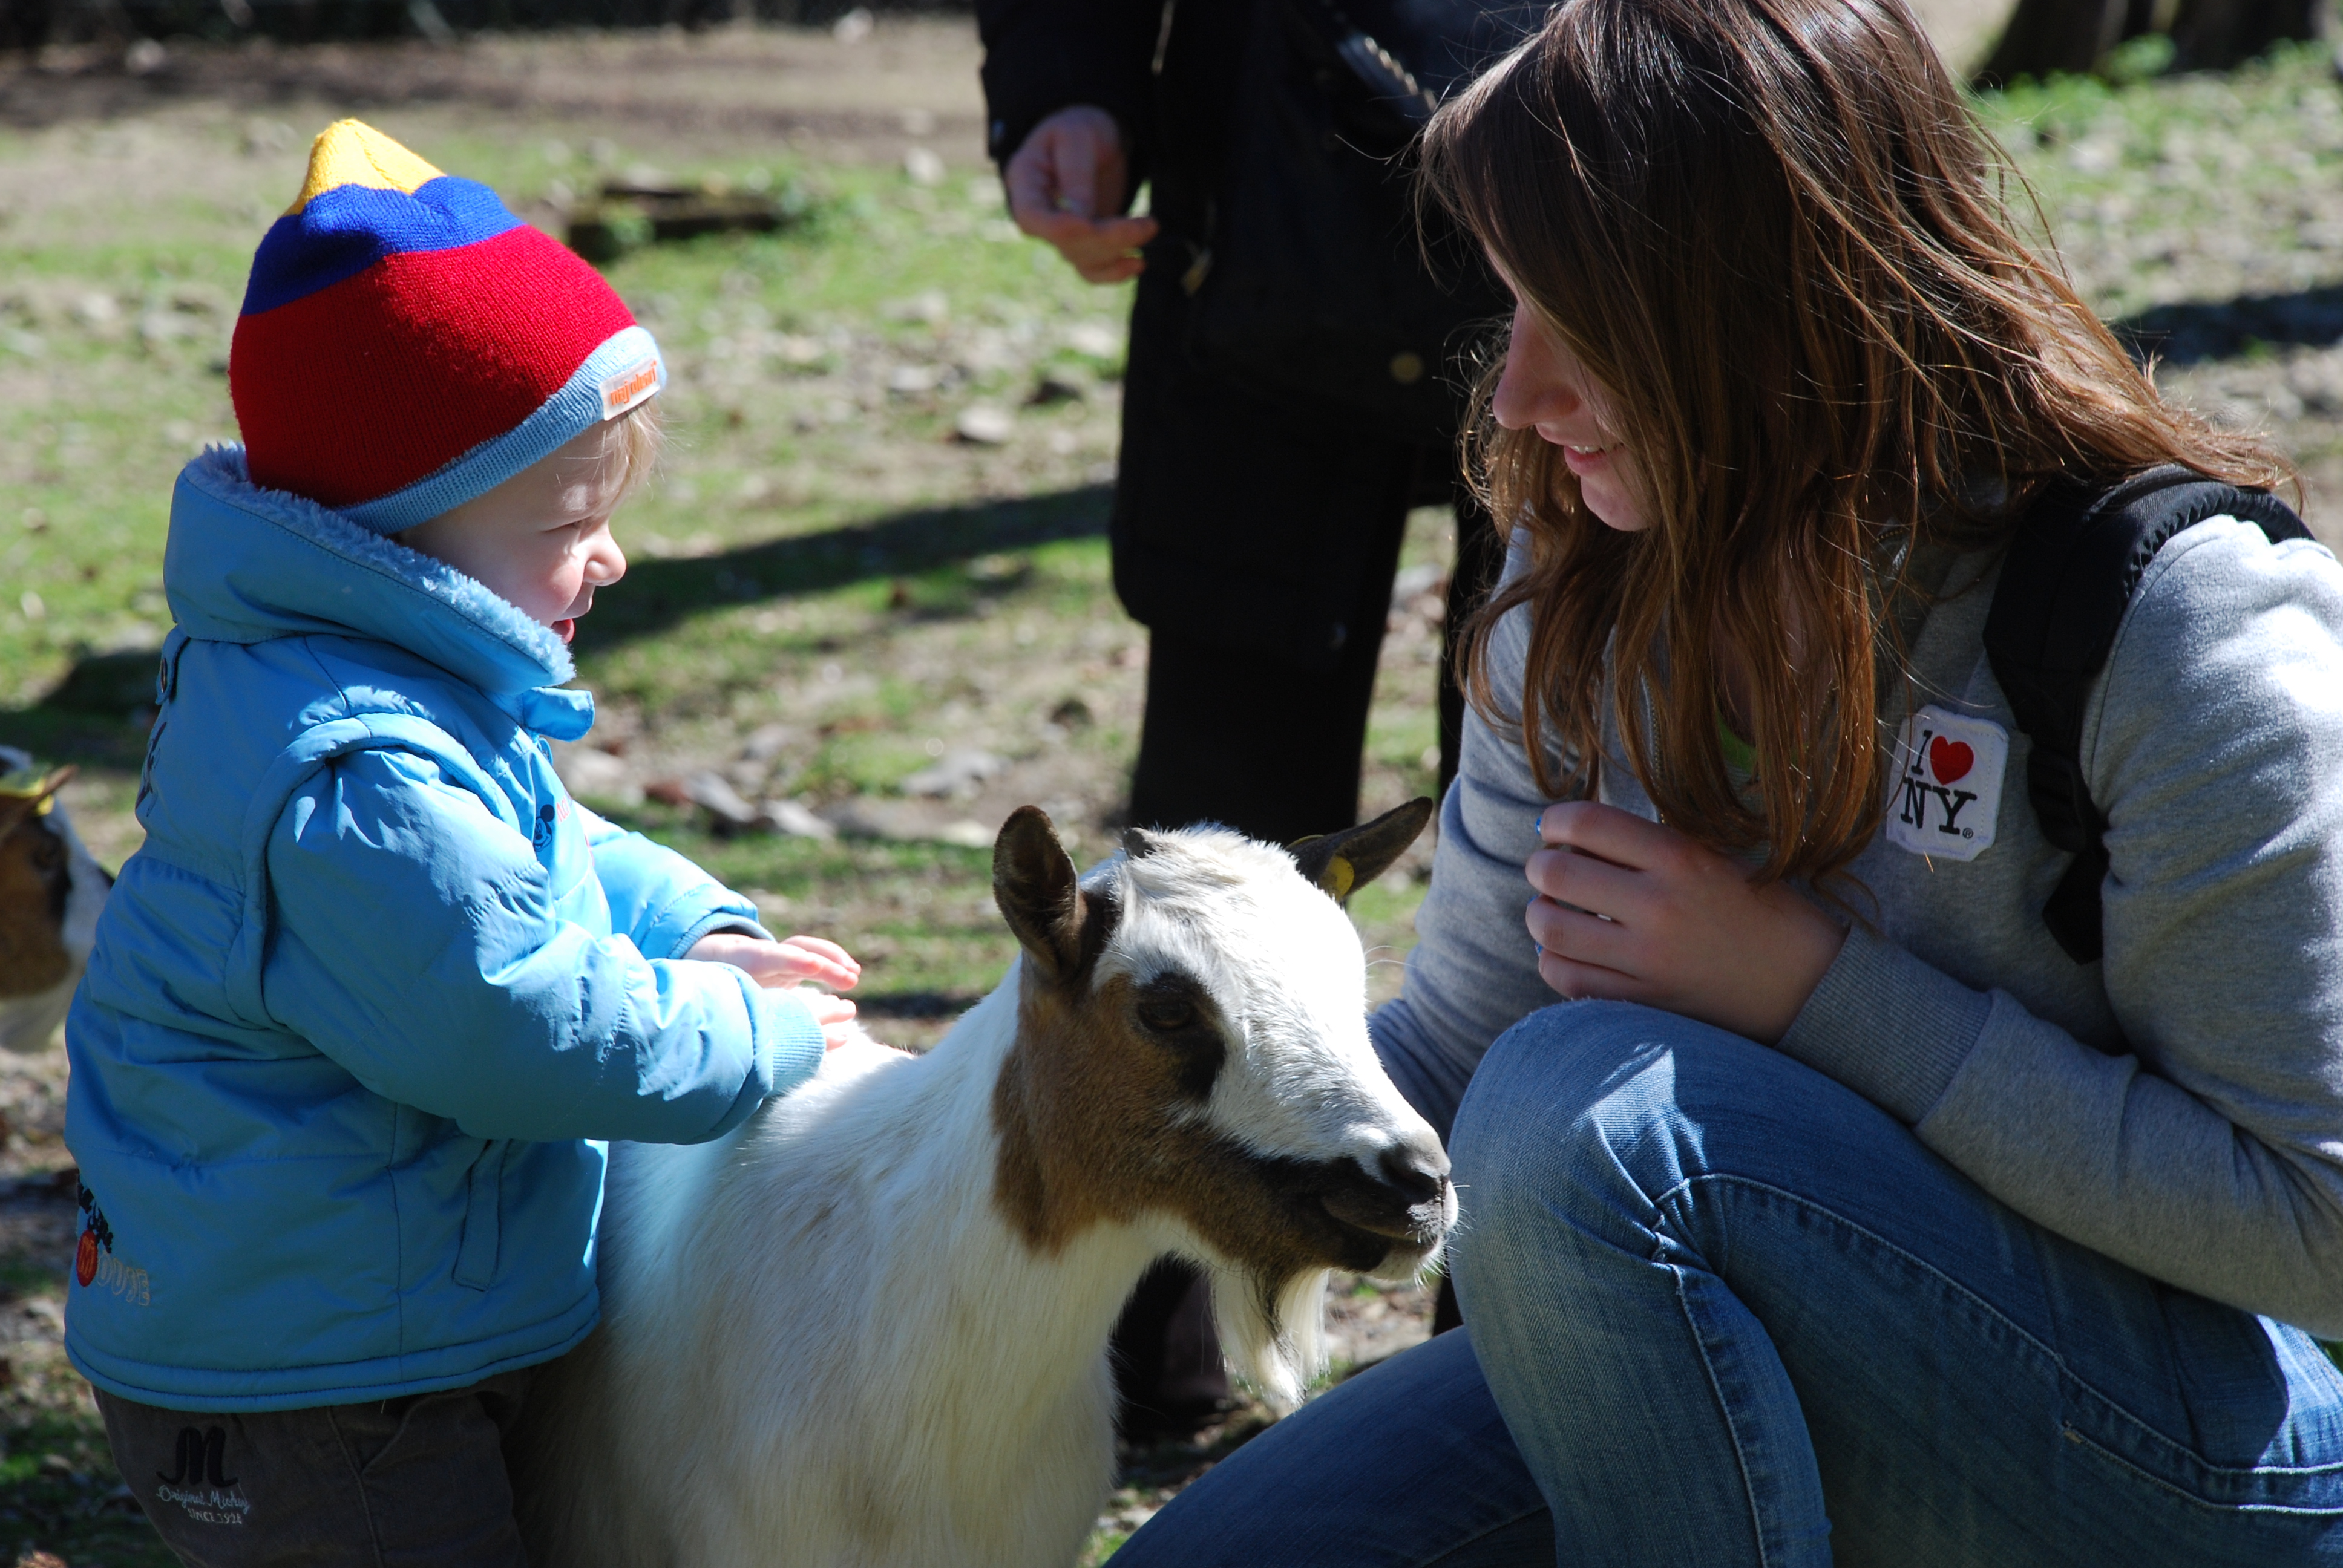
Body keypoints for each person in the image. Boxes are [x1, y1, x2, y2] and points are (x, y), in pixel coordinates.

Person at [1109, 0, 2343, 1561]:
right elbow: (1461, 1058)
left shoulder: (2177, 622)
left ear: (1770, 315)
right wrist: (1028, 1098)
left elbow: (2312, 1224)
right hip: (1710, 1342)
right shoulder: (1577, 585)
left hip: (2187, 1453)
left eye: (1580, 323)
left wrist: (1814, 992)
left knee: (1583, 1119)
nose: (1514, 397)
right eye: (1509, 306)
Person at [64, 120, 861, 1567]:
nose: (611, 557)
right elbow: (512, 1025)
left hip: (368, 1325)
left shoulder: (358, 680)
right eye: (571, 520)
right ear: (400, 535)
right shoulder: (356, 770)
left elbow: (537, 849)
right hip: (315, 1391)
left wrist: (690, 926)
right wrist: (753, 1034)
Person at [977, 0, 1517, 1433]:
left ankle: (1511, 1381)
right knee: (1214, 847)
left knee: (1555, 848)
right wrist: (1066, 81)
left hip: (1585, 208)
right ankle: (1139, 1378)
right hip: (1259, 196)